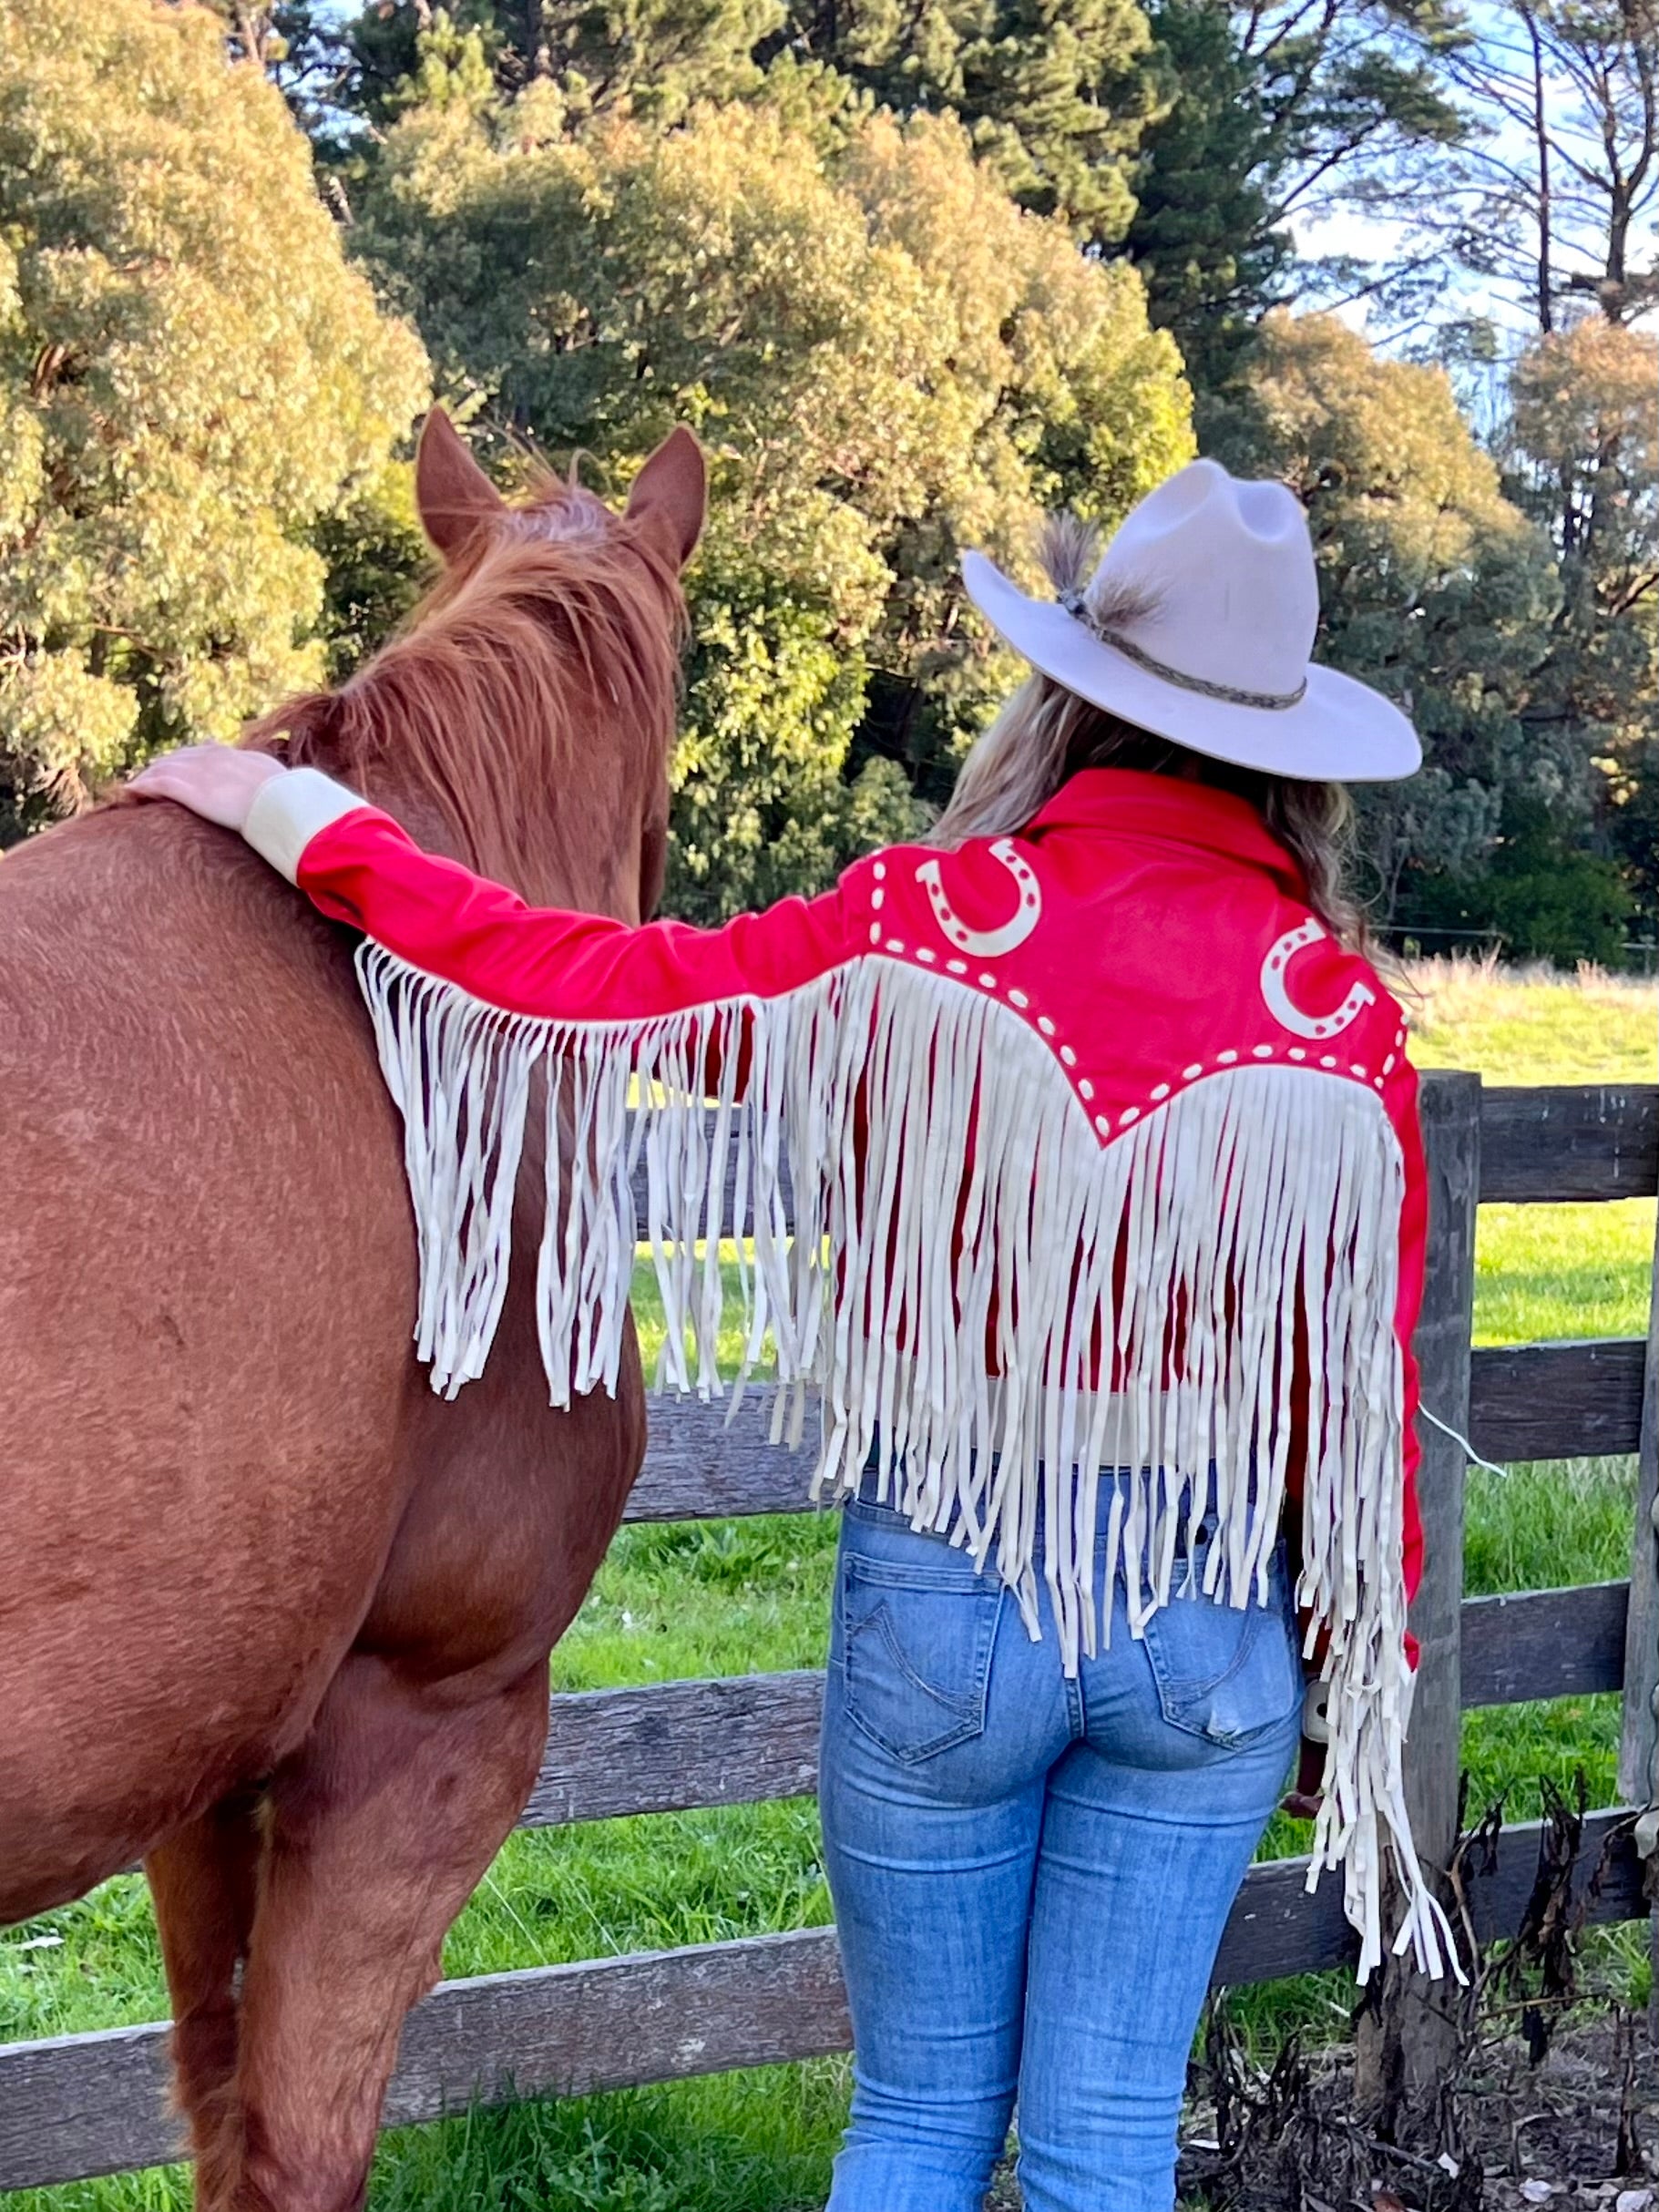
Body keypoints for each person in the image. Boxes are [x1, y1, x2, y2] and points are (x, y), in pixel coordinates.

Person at [134, 456, 1451, 2212]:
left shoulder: (925, 931)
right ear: (1292, 763)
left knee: (912, 2122)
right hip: (1206, 1627)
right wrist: (1350, 1675)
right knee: (1105, 2141)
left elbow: (572, 979)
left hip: (948, 1598)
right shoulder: (1338, 1024)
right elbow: (1346, 1408)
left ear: (1067, 701)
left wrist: (302, 818)